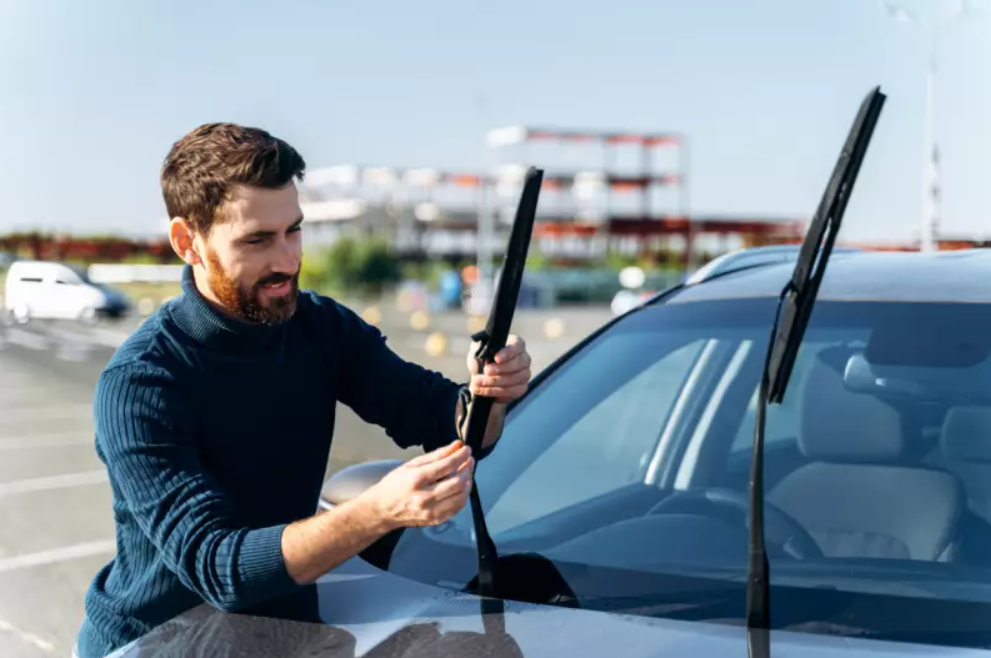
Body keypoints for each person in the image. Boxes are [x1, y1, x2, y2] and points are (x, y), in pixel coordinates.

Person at [73, 123, 533, 658]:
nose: (287, 260)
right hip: (156, 646)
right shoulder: (141, 385)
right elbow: (220, 569)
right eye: (257, 241)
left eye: (294, 230)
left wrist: (489, 394)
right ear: (187, 242)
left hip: (283, 641)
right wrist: (377, 511)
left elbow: (443, 419)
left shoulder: (320, 329)